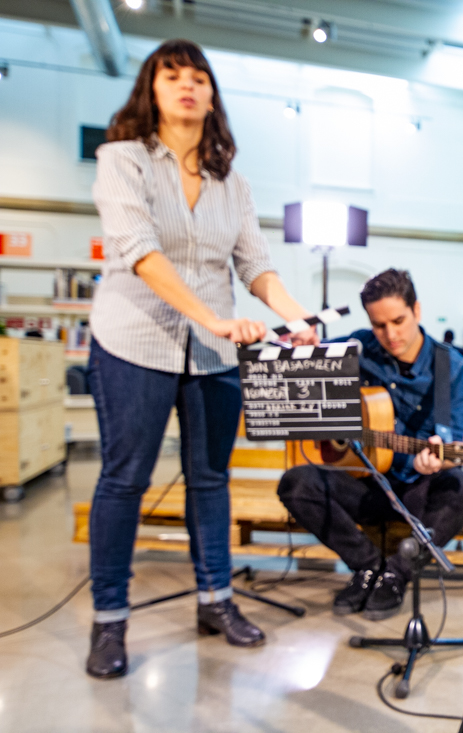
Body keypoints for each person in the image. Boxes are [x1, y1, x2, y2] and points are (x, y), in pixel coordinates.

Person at [85, 40, 319, 680]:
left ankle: (217, 602)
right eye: (172, 75)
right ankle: (110, 620)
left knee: (209, 481)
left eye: (198, 77)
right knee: (124, 480)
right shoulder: (121, 160)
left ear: (211, 94)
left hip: (214, 355)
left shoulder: (231, 182)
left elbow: (255, 265)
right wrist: (212, 315)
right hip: (134, 341)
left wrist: (297, 318)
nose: (187, 85)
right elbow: (138, 251)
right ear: (151, 89)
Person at [277, 269, 463, 619]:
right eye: (379, 325)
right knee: (296, 484)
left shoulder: (450, 365)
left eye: (398, 320)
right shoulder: (357, 348)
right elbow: (302, 381)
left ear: (416, 310)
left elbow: (462, 439)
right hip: (364, 484)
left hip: (417, 492)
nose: (390, 334)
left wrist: (440, 458)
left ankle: (396, 575)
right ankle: (367, 567)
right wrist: (304, 353)